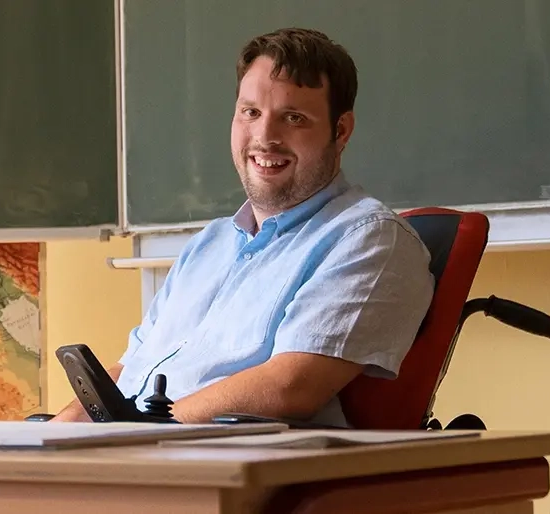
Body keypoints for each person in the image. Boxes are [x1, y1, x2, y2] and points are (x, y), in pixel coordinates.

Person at [51, 27, 434, 426]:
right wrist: (50, 439)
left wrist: (138, 435)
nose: (265, 137)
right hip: (134, 457)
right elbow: (130, 368)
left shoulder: (368, 239)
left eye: (294, 118)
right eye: (251, 113)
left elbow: (291, 387)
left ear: (340, 131)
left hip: (218, 470)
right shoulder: (209, 244)